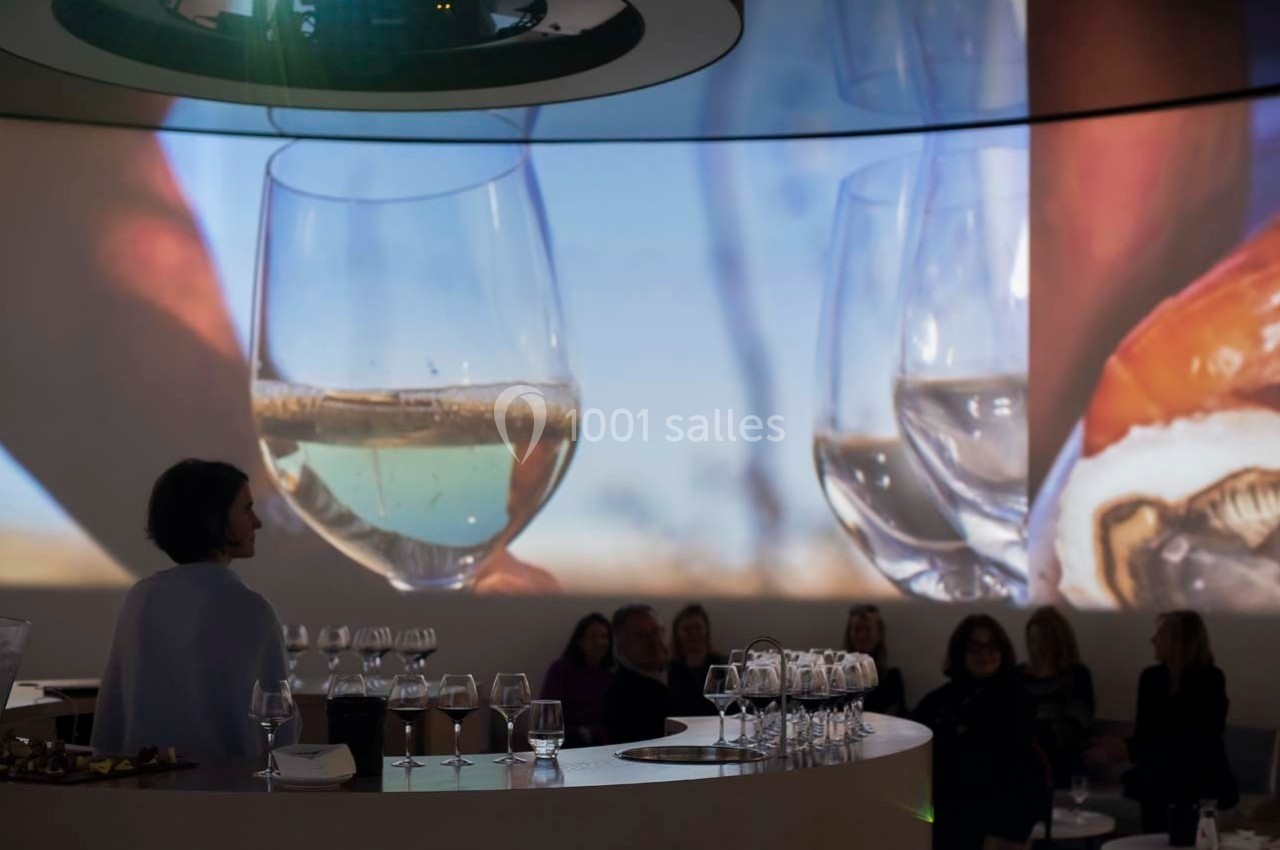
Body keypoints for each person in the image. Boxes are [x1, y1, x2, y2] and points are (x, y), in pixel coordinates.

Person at [91, 460, 299, 759]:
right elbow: (278, 726)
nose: (257, 522)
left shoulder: (141, 597)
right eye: (246, 509)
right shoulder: (251, 610)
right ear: (214, 518)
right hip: (230, 786)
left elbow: (113, 715)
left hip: (144, 782)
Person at [1089, 611, 1238, 832]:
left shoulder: (1211, 679)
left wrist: (1128, 749)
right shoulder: (1151, 678)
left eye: (1160, 634)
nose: (1153, 640)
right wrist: (1119, 747)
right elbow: (1145, 734)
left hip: (1200, 775)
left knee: (1170, 788)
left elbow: (1198, 740)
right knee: (1152, 789)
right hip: (1157, 776)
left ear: (1180, 642)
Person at [913, 615, 1047, 850]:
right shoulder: (937, 702)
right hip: (941, 821)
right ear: (961, 651)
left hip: (997, 825)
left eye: (991, 646)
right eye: (975, 647)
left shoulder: (1017, 700)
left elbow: (1021, 769)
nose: (984, 654)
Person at [1017, 606, 1095, 788]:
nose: (1038, 647)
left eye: (1044, 640)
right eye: (1033, 640)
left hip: (1063, 763)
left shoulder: (1076, 676)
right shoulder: (1017, 676)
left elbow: (1076, 724)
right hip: (1020, 760)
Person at [539, 613, 615, 748]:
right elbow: (547, 714)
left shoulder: (611, 675)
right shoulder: (561, 670)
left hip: (605, 746)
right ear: (580, 641)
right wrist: (582, 733)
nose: (599, 642)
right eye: (592, 637)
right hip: (566, 745)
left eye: (604, 637)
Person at [603, 603, 673, 745]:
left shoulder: (681, 671)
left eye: (657, 631)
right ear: (620, 645)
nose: (655, 640)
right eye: (643, 635)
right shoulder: (619, 693)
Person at [666, 603, 728, 718]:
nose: (693, 633)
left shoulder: (722, 666)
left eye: (698, 627)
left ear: (706, 630)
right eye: (687, 629)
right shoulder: (668, 669)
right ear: (677, 634)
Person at [844, 604, 907, 716]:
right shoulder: (839, 678)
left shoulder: (892, 679)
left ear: (879, 634)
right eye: (857, 630)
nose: (862, 636)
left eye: (868, 630)